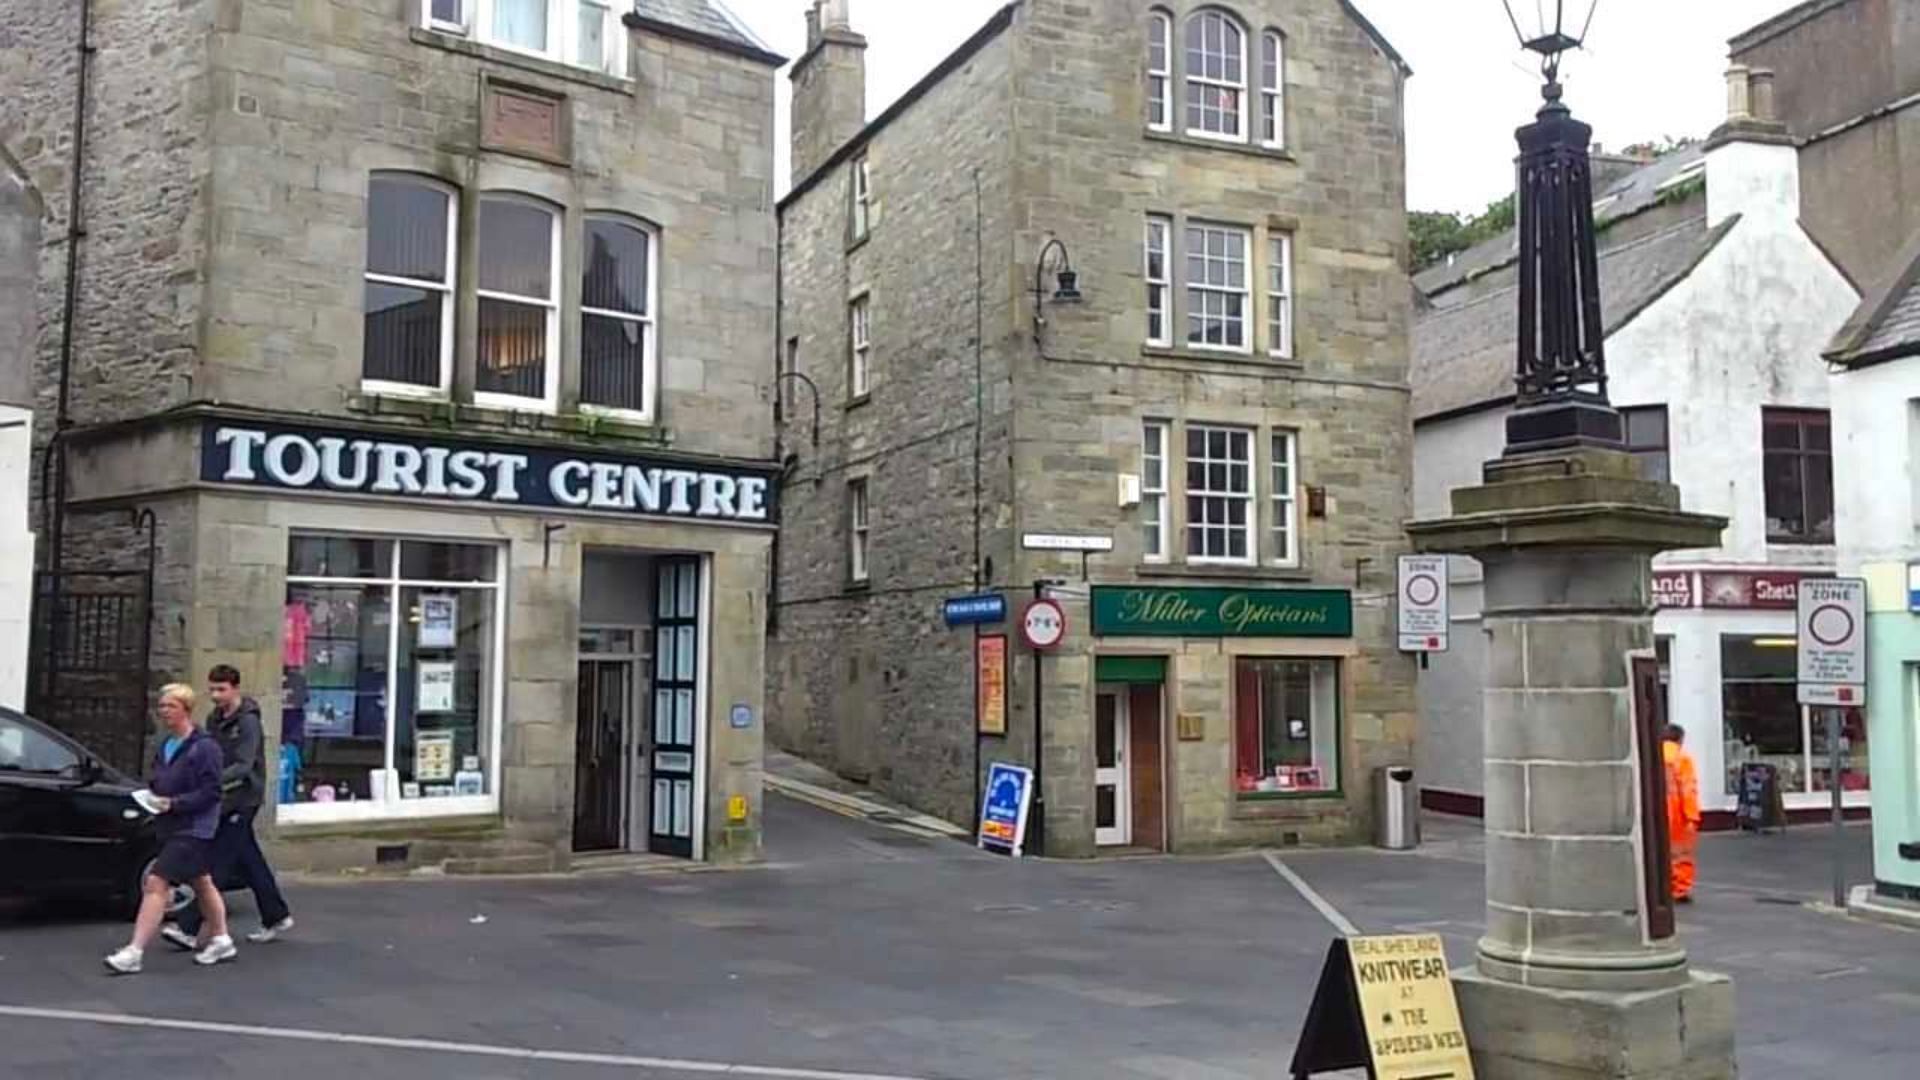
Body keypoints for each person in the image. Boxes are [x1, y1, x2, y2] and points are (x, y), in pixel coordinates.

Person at [105, 684, 236, 973]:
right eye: (162, 706)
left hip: (195, 828)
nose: (164, 711)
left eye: (170, 706)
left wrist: (174, 803)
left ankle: (134, 951)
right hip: (171, 826)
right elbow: (160, 779)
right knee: (202, 883)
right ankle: (222, 938)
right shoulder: (166, 745)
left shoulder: (205, 747)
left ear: (185, 710)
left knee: (156, 882)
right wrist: (152, 796)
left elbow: (212, 792)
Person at [162, 665, 293, 952]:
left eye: (221, 689)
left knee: (217, 863)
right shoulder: (214, 718)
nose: (216, 695)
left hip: (244, 798)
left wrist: (210, 780)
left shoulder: (248, 723)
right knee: (249, 860)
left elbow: (244, 766)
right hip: (224, 798)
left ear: (236, 688)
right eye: (212, 689)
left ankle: (188, 927)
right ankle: (277, 915)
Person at [1663, 723, 1701, 904]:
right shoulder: (1682, 759)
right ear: (1680, 739)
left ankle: (1660, 887)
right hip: (1677, 813)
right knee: (1681, 853)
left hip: (1656, 812)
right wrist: (1692, 816)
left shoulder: (1651, 757)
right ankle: (1679, 889)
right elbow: (1688, 790)